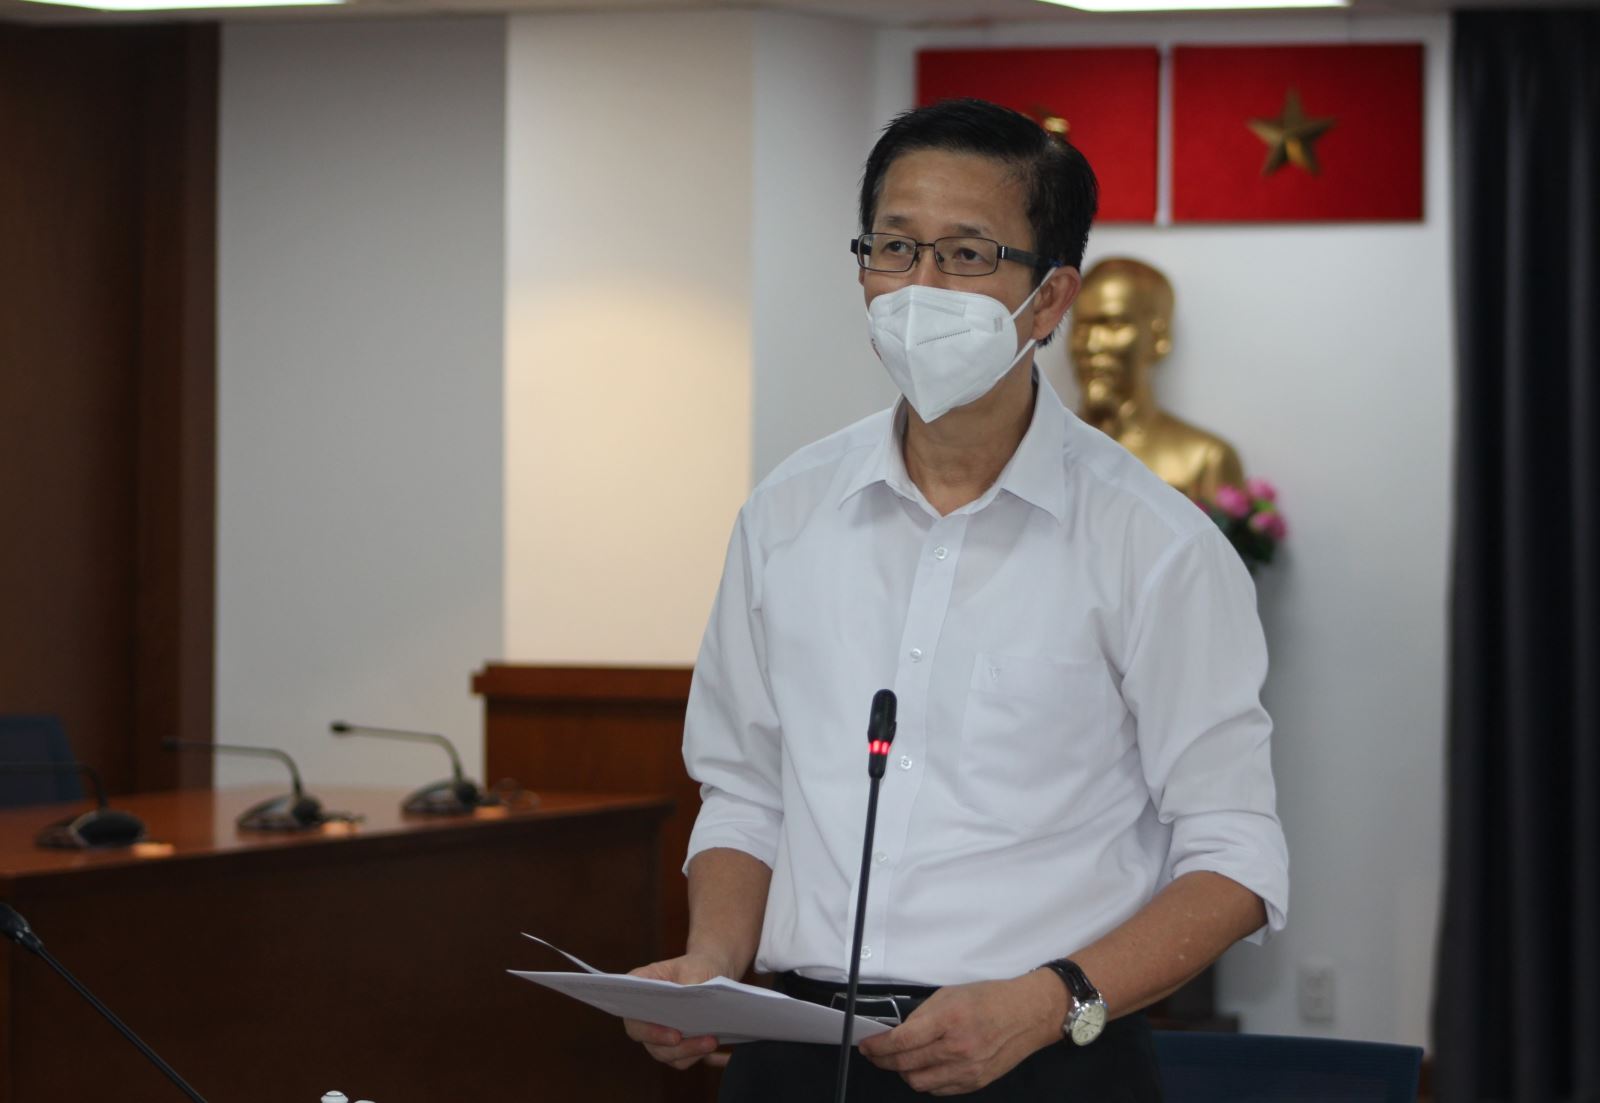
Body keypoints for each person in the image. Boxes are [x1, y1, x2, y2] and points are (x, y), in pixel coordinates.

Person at [624, 98, 1288, 1101]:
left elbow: (1234, 856)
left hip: (1045, 1051)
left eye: (967, 255)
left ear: (1050, 297)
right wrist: (715, 962)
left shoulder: (1156, 545)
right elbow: (746, 792)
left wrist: (1049, 1000)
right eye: (895, 247)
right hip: (797, 1049)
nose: (920, 287)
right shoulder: (787, 514)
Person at [1070, 257, 1246, 502]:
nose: (1090, 345)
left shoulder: (1205, 460)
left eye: (1113, 325)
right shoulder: (1041, 449)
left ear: (1158, 338)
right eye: (1080, 327)